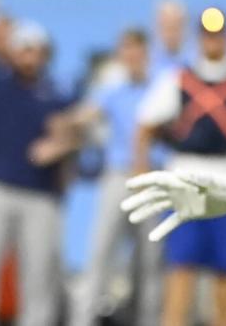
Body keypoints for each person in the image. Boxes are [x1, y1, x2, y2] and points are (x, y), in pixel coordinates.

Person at [126, 8, 226, 326]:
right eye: (207, 35)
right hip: (186, 177)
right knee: (181, 268)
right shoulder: (179, 77)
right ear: (199, 38)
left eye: (218, 35)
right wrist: (141, 169)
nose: (213, 42)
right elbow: (145, 124)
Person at [0, 12, 74, 326]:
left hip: (40, 195)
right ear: (14, 51)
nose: (30, 56)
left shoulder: (56, 91)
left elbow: (76, 131)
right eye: (24, 48)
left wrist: (60, 145)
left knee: (37, 277)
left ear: (45, 54)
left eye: (36, 50)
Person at [68, 29, 162, 326]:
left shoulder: (160, 86)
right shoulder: (112, 88)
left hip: (152, 177)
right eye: (127, 51)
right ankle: (81, 320)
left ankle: (149, 320)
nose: (132, 58)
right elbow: (84, 115)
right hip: (118, 176)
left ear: (145, 54)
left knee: (151, 261)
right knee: (100, 252)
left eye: (137, 51)